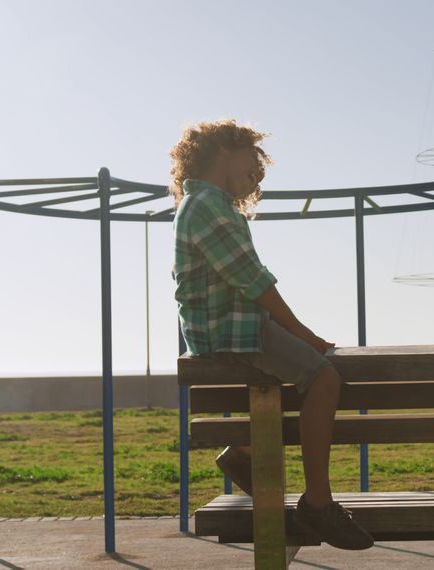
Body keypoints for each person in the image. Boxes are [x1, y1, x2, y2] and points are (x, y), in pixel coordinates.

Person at [170, 119, 373, 550]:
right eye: (253, 158)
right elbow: (253, 281)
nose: (258, 169)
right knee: (323, 377)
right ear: (225, 149)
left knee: (283, 383)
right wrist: (304, 334)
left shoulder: (205, 203)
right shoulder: (207, 205)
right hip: (231, 328)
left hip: (224, 325)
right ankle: (318, 502)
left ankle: (245, 452)